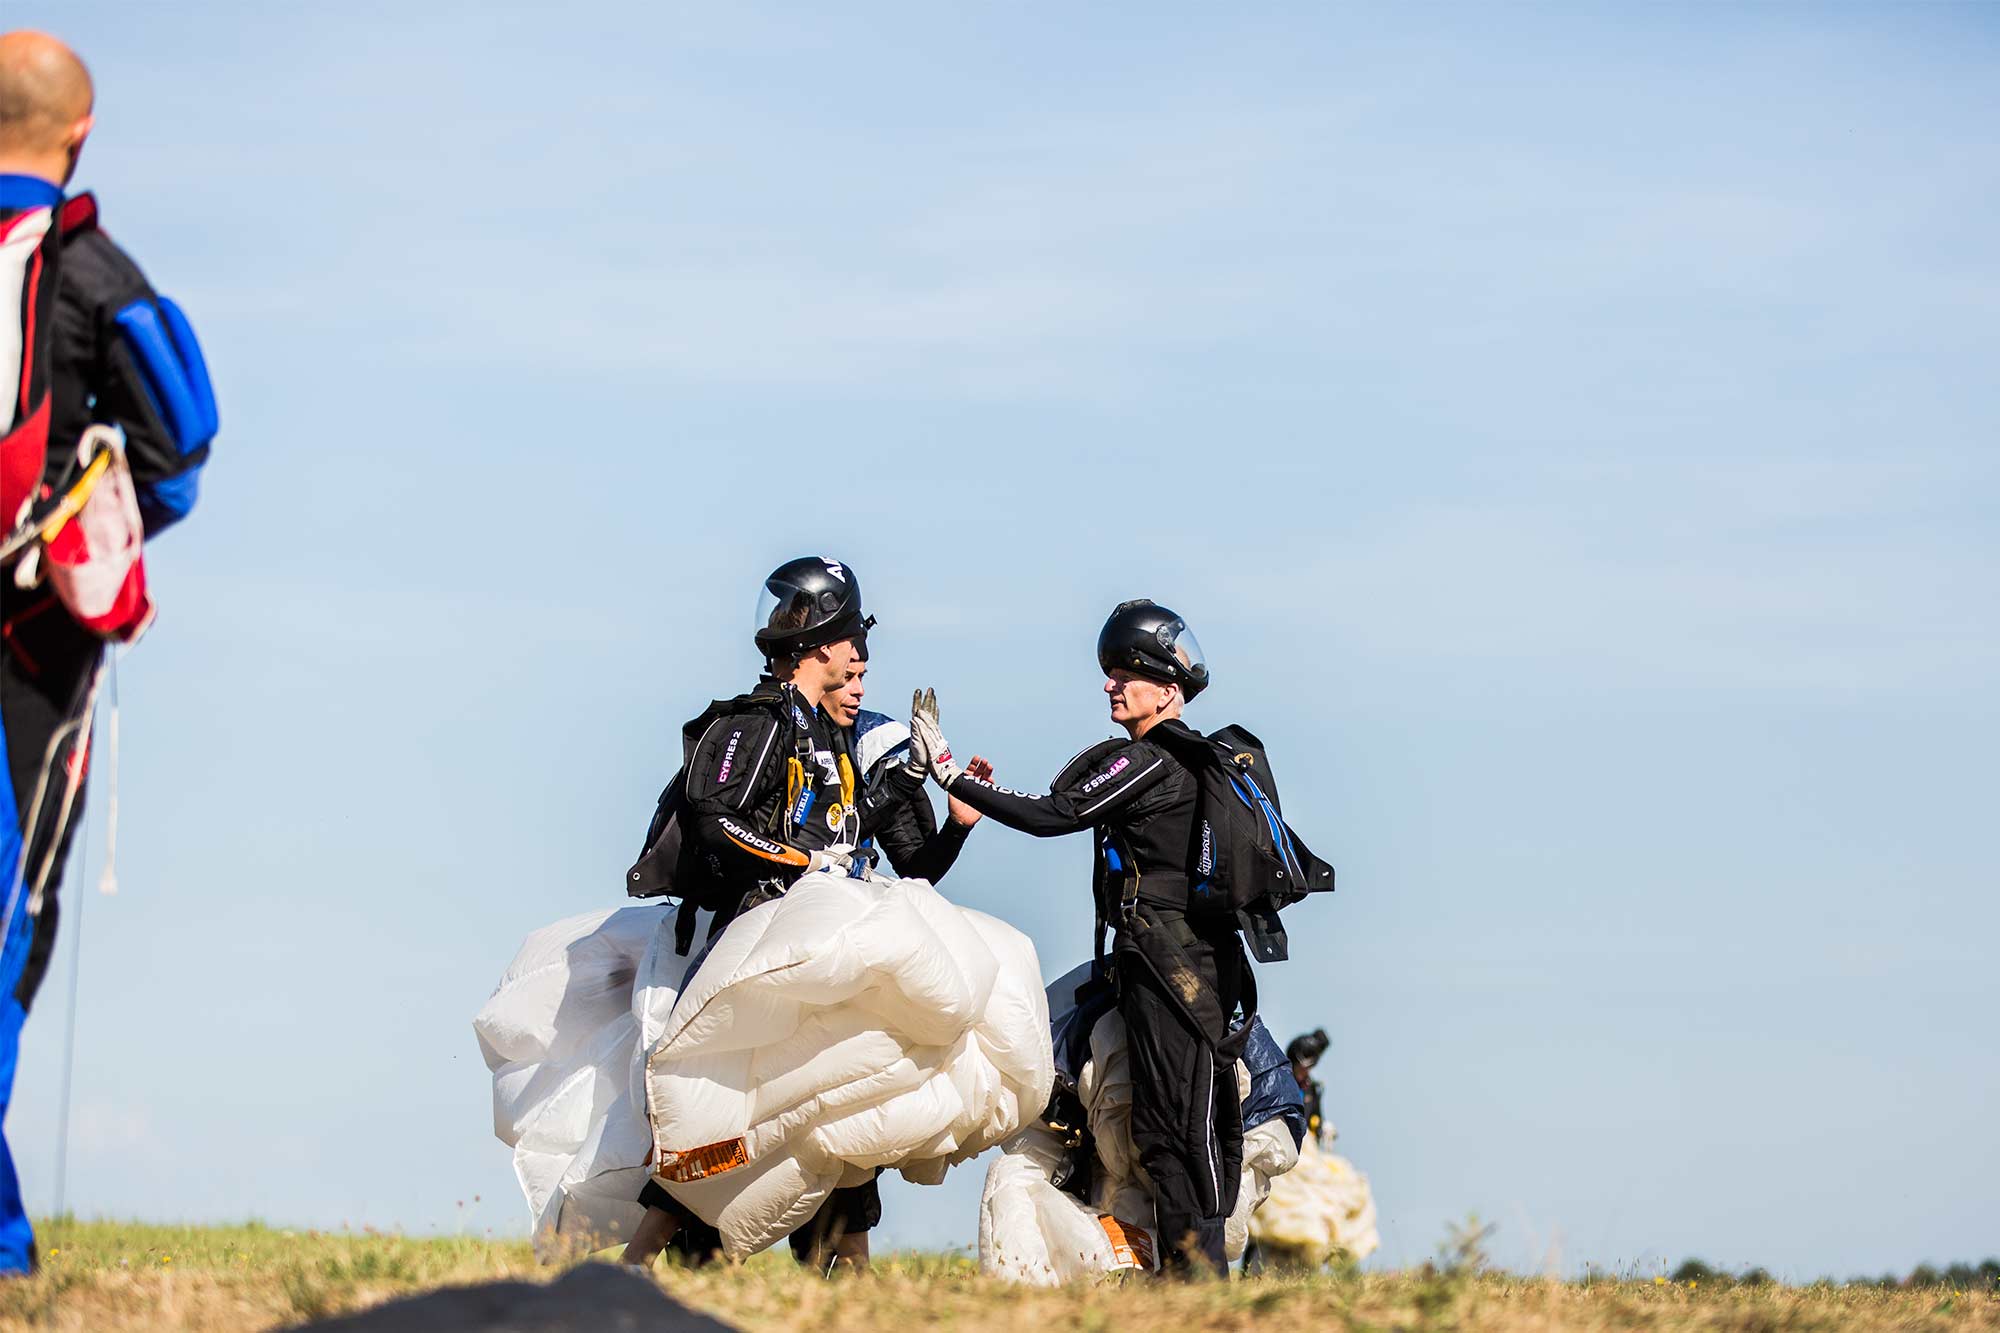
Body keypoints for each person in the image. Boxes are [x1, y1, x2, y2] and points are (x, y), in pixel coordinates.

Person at [0, 31, 215, 1276]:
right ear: (78, 133)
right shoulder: (89, 268)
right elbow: (184, 436)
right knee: (10, 910)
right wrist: (97, 531)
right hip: (33, 648)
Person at [906, 599, 1253, 1276]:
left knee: (1174, 1134)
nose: (1110, 684)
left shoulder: (1155, 758)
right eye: (1111, 671)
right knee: (1170, 1131)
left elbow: (1055, 813)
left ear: (1169, 688)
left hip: (1170, 972)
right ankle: (1187, 1284)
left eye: (1128, 672)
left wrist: (949, 774)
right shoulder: (1179, 761)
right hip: (1181, 969)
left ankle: (1197, 1291)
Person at [623, 556, 926, 1275]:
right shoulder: (756, 719)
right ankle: (636, 1271)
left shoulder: (832, 735)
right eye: (852, 635)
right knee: (727, 1119)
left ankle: (853, 1281)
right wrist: (798, 864)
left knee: (838, 1103)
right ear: (821, 643)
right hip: (756, 951)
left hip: (818, 954)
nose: (860, 654)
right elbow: (712, 819)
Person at [822, 647, 989, 883]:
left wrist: (958, 826)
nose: (860, 690)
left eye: (861, 677)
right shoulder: (774, 729)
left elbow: (918, 871)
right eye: (847, 677)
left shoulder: (870, 747)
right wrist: (909, 777)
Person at [1285, 1029, 1330, 1145]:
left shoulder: (1311, 1089)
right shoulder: (1280, 1082)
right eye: (1301, 1067)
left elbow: (1315, 1118)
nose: (1305, 1072)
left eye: (1310, 1067)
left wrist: (1321, 1128)